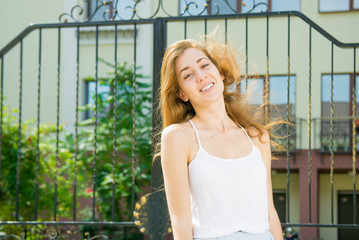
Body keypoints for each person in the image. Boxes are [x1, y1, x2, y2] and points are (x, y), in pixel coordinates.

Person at [158, 37, 284, 240]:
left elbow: (270, 211)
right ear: (182, 94)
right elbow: (181, 222)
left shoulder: (257, 137)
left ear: (220, 73)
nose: (201, 76)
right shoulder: (178, 137)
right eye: (188, 75)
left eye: (205, 65)